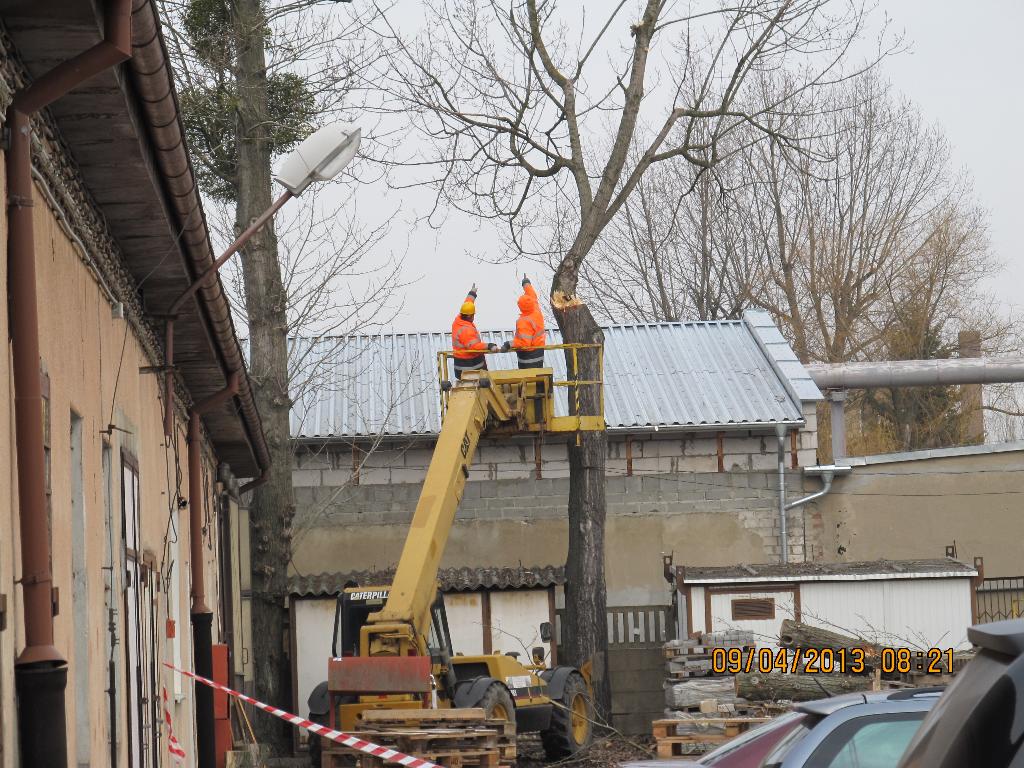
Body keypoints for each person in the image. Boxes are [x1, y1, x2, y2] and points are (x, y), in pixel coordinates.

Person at [452, 283, 498, 379]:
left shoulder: (459, 319)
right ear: (469, 316)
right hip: (469, 367)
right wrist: (489, 345)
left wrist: (472, 293)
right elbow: (474, 346)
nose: (474, 316)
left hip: (461, 365)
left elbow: (467, 304)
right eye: (473, 315)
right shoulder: (466, 330)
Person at [501, 274, 546, 368]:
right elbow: (532, 294)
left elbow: (524, 343)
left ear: (520, 306)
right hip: (539, 350)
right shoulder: (535, 309)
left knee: (530, 380)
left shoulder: (523, 322)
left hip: (529, 357)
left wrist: (509, 344)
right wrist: (526, 283)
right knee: (539, 377)